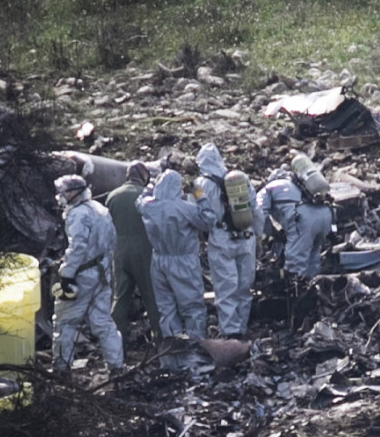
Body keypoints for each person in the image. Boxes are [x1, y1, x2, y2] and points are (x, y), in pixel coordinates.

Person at [50, 174, 125, 379]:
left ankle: (61, 369)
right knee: (102, 320)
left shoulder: (78, 215)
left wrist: (66, 273)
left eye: (63, 192)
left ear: (74, 192)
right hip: (101, 273)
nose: (60, 196)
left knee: (64, 322)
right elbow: (111, 242)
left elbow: (77, 247)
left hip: (81, 276)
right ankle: (117, 367)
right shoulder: (101, 210)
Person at [137, 169, 216, 341]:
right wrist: (199, 194)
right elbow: (209, 220)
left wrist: (149, 187)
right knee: (192, 307)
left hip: (158, 260)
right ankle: (195, 347)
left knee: (166, 308)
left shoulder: (148, 206)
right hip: (183, 261)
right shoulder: (184, 208)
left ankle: (174, 351)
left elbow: (139, 201)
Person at [193, 143, 263, 339]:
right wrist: (258, 234)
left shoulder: (201, 184)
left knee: (226, 287)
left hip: (221, 239)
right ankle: (242, 326)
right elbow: (255, 208)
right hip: (246, 236)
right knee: (245, 285)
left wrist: (202, 236)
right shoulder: (239, 179)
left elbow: (198, 215)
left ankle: (231, 332)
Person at [105, 161, 162, 347]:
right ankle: (160, 342)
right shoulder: (148, 195)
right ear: (144, 176)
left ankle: (115, 345)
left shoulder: (112, 196)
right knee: (151, 297)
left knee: (120, 298)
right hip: (145, 250)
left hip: (119, 250)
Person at [257, 164, 335, 279]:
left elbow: (259, 213)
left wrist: (272, 232)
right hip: (326, 216)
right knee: (313, 256)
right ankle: (314, 287)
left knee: (295, 264)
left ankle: (297, 292)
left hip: (304, 221)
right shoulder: (303, 186)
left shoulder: (270, 187)